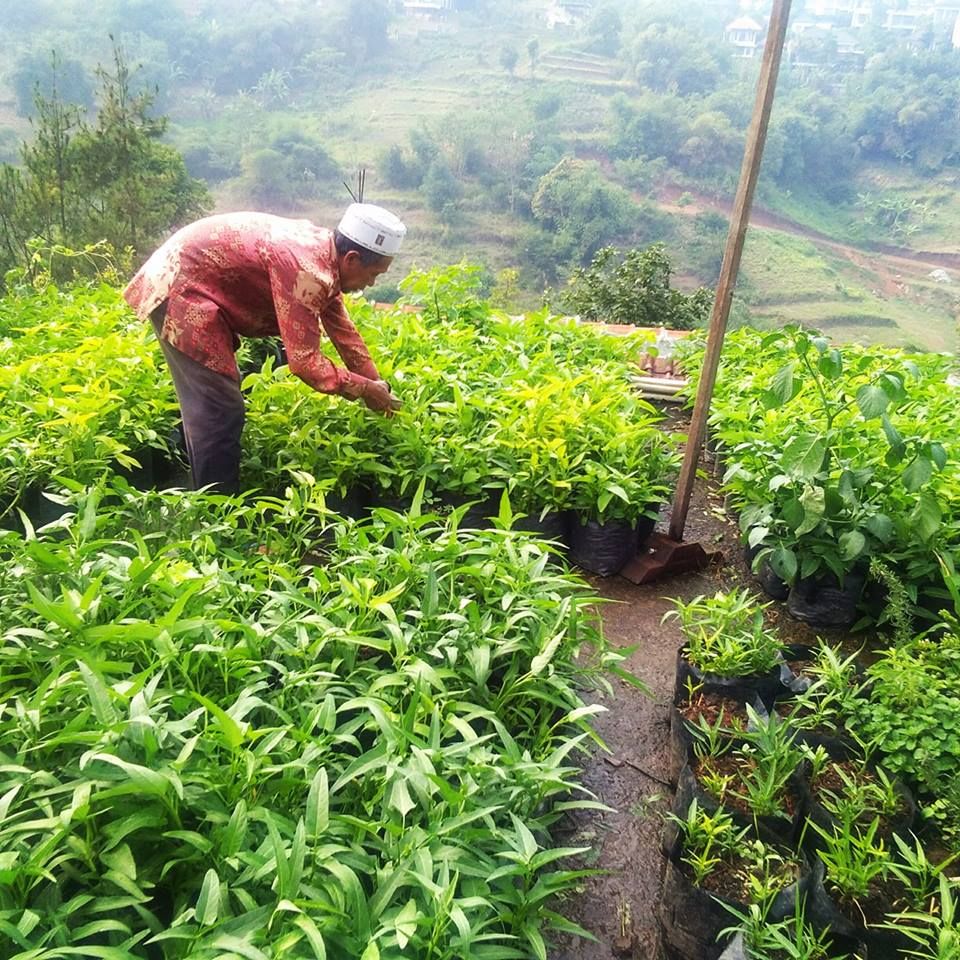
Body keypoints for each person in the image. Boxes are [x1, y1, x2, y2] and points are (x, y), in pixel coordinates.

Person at [123, 203, 406, 494]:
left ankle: (194, 478)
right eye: (373, 274)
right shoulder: (306, 269)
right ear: (352, 258)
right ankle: (216, 515)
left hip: (193, 282)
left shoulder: (325, 259)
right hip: (181, 288)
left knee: (211, 404)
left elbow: (345, 335)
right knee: (220, 408)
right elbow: (305, 363)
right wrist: (366, 390)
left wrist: (379, 388)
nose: (371, 283)